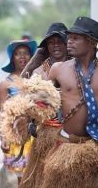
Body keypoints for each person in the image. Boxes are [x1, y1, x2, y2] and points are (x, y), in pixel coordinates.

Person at [40, 17, 98, 188]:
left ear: (92, 42)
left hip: (94, 146)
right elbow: (41, 103)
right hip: (65, 146)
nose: (69, 42)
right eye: (69, 37)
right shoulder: (58, 69)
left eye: (75, 38)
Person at [20, 23, 69, 188]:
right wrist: (31, 123)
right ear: (46, 47)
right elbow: (28, 104)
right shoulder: (38, 72)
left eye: (59, 41)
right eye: (51, 42)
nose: (55, 45)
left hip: (73, 137)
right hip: (46, 135)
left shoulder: (77, 68)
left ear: (67, 43)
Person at [0, 40, 37, 184]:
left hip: (36, 133)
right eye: (18, 54)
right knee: (21, 178)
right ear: (12, 58)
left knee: (36, 174)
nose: (22, 57)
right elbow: (2, 114)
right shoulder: (5, 83)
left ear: (31, 56)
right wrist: (3, 138)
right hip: (17, 134)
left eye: (26, 53)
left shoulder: (36, 79)